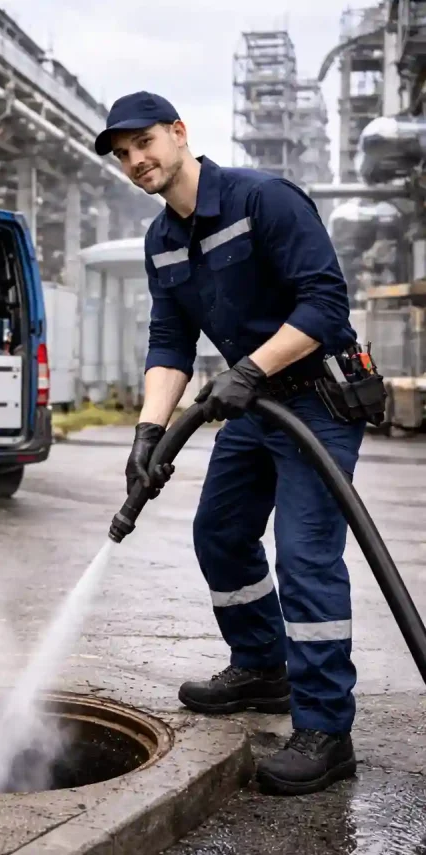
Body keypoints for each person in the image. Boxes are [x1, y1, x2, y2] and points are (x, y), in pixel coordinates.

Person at [94, 92, 368, 796]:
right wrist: (149, 432)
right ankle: (261, 666)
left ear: (180, 133)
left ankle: (325, 730)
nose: (134, 161)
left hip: (318, 400)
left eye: (143, 143)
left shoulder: (262, 199)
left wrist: (249, 369)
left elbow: (323, 304)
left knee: (305, 557)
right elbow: (169, 343)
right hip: (256, 406)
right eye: (122, 155)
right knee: (220, 534)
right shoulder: (161, 241)